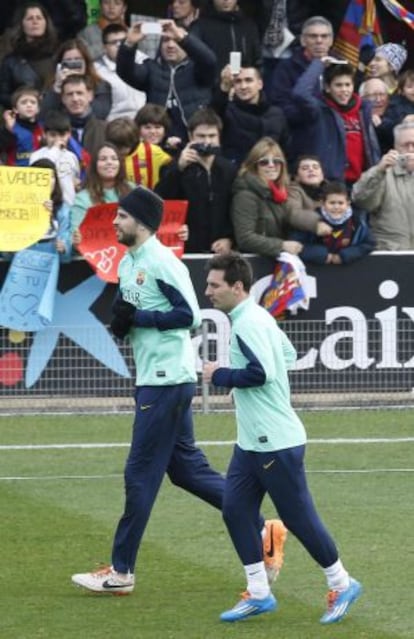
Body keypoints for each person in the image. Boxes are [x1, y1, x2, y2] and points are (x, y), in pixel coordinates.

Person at [71, 186, 287, 595]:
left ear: (142, 222)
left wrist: (142, 317)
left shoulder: (161, 262)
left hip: (167, 381)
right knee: (187, 471)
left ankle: (121, 571)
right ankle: (264, 528)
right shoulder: (130, 261)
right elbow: (132, 317)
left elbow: (188, 317)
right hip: (156, 378)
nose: (115, 222)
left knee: (139, 473)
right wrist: (122, 322)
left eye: (121, 216)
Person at [202, 251, 362, 624]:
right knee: (235, 510)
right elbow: (287, 354)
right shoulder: (255, 316)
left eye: (214, 285)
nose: (208, 291)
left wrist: (221, 374)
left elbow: (265, 374)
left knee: (299, 518)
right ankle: (259, 592)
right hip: (251, 442)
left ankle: (342, 582)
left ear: (237, 286)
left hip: (275, 441)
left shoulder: (247, 324)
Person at [116, 18, 217, 142]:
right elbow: (125, 72)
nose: (170, 45)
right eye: (165, 41)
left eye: (176, 41)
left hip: (195, 139)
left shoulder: (197, 67)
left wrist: (183, 38)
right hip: (159, 143)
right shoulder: (151, 68)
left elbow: (210, 60)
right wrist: (129, 44)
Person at [231, 137, 331, 259]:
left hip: (278, 260)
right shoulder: (246, 195)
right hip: (255, 264)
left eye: (276, 161)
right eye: (264, 162)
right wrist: (282, 245)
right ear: (254, 166)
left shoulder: (280, 192)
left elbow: (293, 214)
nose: (271, 165)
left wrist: (319, 223)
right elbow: (245, 238)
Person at [155, 107, 236, 253]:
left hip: (219, 250)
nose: (207, 141)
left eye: (212, 136)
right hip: (187, 248)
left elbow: (235, 210)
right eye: (201, 136)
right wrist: (178, 168)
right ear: (190, 136)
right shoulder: (173, 167)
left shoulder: (228, 169)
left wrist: (230, 238)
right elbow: (161, 200)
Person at [291, 59, 381, 185]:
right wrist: (319, 64)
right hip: (331, 183)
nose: (344, 90)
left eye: (348, 85)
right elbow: (300, 93)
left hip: (362, 182)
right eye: (338, 85)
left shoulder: (363, 110)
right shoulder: (319, 110)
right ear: (327, 88)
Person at [266, 16, 334, 165]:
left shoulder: (339, 65)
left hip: (333, 140)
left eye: (324, 36)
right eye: (313, 36)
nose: (319, 41)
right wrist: (310, 113)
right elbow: (279, 106)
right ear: (303, 41)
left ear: (331, 41)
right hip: (301, 140)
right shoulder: (286, 68)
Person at [352, 120, 414, 250]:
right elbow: (362, 202)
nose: (410, 150)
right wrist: (379, 171)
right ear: (395, 147)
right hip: (390, 253)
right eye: (405, 145)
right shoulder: (381, 173)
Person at [214, 65, 290, 167]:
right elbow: (212, 114)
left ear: (260, 84)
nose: (243, 86)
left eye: (248, 80)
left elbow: (285, 149)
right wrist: (224, 88)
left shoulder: (277, 114)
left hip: (269, 175)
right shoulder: (227, 111)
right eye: (238, 82)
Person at [289, 180, 375, 265]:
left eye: (341, 203)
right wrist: (321, 255)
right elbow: (296, 244)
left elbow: (369, 244)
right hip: (317, 269)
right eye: (332, 203)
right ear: (323, 203)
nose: (336, 207)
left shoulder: (358, 221)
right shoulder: (312, 220)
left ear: (348, 203)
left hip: (347, 269)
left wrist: (345, 255)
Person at [70, 141, 131, 247]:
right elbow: (76, 235)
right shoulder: (82, 199)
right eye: (103, 159)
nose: (109, 162)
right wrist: (76, 239)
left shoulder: (134, 191)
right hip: (96, 258)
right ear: (94, 165)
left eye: (114, 158)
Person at [0, 2, 58, 109]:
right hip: (23, 120)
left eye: (39, 18)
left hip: (54, 119)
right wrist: (23, 100)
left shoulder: (58, 55)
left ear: (46, 23)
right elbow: (3, 95)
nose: (35, 21)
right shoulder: (11, 61)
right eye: (30, 18)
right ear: (22, 24)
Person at [189, 0, 261, 84]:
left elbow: (257, 61)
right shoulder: (200, 27)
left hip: (243, 87)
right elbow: (192, 63)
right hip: (210, 89)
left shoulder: (248, 26)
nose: (226, 0)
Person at [41, 37, 112, 121]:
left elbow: (100, 113)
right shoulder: (53, 86)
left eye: (77, 60)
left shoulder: (100, 85)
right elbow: (44, 114)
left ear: (86, 62)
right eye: (68, 61)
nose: (73, 65)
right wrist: (57, 88)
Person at [94, 23, 146, 121]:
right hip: (114, 125)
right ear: (104, 47)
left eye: (123, 41)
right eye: (114, 42)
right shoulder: (96, 71)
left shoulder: (144, 60)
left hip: (144, 123)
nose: (119, 45)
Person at [106, 116, 172, 190]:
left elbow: (173, 167)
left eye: (123, 147)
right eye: (116, 147)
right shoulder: (105, 156)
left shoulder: (152, 151)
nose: (119, 151)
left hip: (148, 198)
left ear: (132, 141)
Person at [29, 110, 80, 206]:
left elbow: (75, 178)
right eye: (53, 135)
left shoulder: (72, 157)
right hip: (46, 205)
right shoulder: (36, 155)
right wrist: (55, 149)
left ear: (69, 134)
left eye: (62, 135)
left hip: (68, 204)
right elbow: (43, 166)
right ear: (44, 134)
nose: (58, 139)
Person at [28, 157, 72, 261]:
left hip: (50, 264)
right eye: (40, 176)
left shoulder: (64, 210)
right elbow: (7, 251)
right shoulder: (17, 208)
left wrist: (64, 247)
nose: (46, 181)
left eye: (51, 176)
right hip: (22, 264)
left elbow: (66, 249)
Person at [60, 74, 107, 166]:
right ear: (63, 99)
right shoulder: (55, 132)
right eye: (70, 94)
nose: (75, 99)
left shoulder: (106, 130)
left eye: (79, 93)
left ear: (90, 95)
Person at [0, 86, 43, 166]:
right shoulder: (11, 128)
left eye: (33, 102)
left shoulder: (43, 129)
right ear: (16, 109)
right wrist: (8, 130)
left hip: (38, 174)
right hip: (15, 174)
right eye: (24, 102)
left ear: (38, 109)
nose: (29, 105)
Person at [359, 77, 391, 153]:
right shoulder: (358, 120)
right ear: (362, 98)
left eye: (382, 94)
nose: (378, 99)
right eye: (373, 95)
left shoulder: (396, 116)